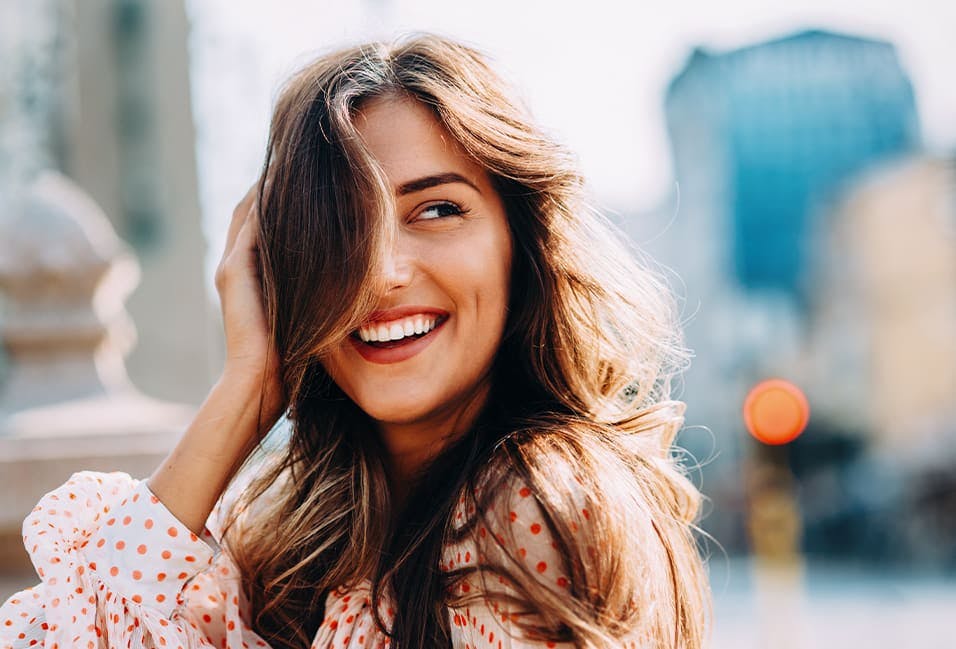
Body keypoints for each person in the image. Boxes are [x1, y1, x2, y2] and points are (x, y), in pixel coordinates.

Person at [1, 34, 710, 649]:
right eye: (340, 226)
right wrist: (247, 385)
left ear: (518, 247)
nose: (381, 271)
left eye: (437, 209)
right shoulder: (302, 536)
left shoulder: (532, 506)